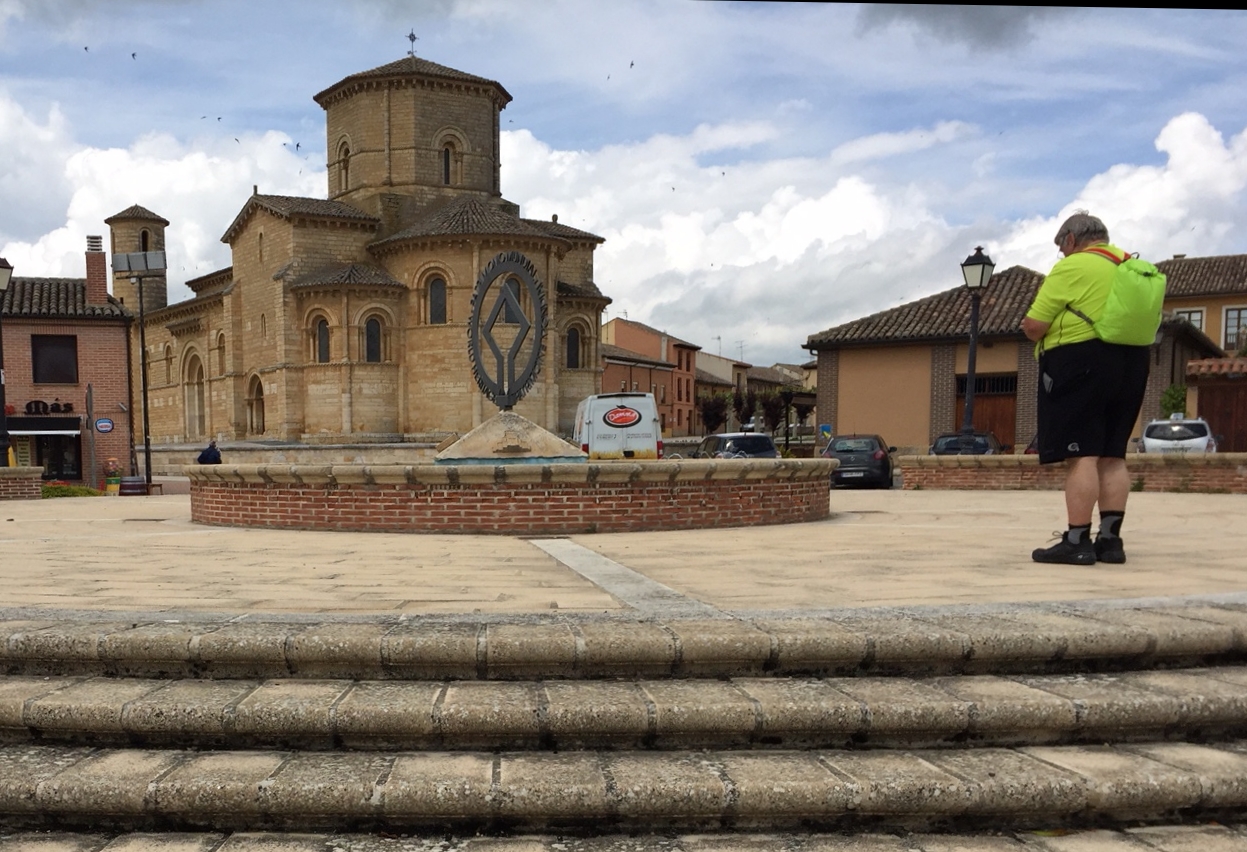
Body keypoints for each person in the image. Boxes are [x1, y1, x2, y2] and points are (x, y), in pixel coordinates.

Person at [1020, 212, 1151, 566]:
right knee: (1113, 454)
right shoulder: (1132, 266)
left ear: (1071, 240)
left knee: (1082, 454)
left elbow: (1034, 325)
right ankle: (1110, 542)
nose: (1061, 255)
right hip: (1134, 363)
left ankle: (1077, 540)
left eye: (1061, 247)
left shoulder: (1073, 267)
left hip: (1080, 362)